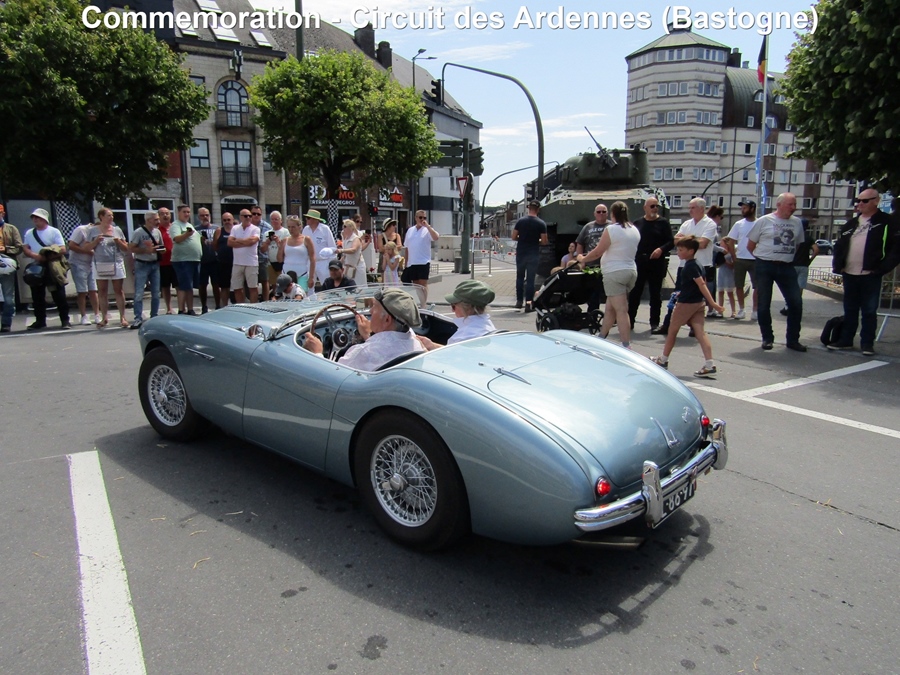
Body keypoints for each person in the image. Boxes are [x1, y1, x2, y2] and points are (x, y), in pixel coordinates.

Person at [828, 188, 900, 355]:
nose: (860, 204)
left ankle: (867, 343)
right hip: (849, 273)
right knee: (850, 309)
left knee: (869, 310)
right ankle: (846, 340)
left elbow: (895, 249)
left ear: (876, 201)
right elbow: (840, 245)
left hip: (871, 274)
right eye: (858, 200)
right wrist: (838, 265)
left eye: (865, 201)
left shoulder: (886, 222)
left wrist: (882, 268)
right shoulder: (851, 223)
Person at [650, 237, 725, 377]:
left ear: (691, 251)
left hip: (686, 303)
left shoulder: (691, 266)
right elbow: (697, 285)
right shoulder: (698, 264)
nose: (678, 252)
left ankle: (663, 359)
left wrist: (713, 303)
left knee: (672, 331)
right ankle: (709, 364)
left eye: (681, 250)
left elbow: (701, 284)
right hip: (698, 303)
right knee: (700, 333)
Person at [302, 288, 424, 371]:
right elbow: (387, 347)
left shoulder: (363, 353)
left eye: (374, 307)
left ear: (387, 320)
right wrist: (368, 336)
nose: (370, 311)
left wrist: (317, 353)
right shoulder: (413, 340)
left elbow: (332, 377)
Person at [746, 192, 807, 352]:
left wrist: (784, 256)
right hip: (765, 265)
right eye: (790, 204)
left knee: (796, 302)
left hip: (787, 266)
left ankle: (793, 340)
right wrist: (764, 258)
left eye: (795, 204)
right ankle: (767, 338)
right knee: (764, 303)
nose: (793, 208)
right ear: (779, 205)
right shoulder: (764, 221)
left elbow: (797, 245)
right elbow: (750, 246)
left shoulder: (797, 222)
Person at [577, 201, 640, 348]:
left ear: (612, 214)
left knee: (621, 310)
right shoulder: (634, 229)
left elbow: (598, 252)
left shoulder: (611, 229)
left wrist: (582, 259)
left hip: (614, 273)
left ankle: (626, 345)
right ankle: (601, 338)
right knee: (610, 308)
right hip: (630, 271)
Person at [628, 196, 673, 332]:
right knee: (635, 293)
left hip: (656, 263)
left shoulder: (663, 223)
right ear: (645, 208)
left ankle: (654, 323)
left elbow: (671, 242)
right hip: (640, 262)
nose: (655, 208)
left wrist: (661, 249)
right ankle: (630, 321)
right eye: (652, 206)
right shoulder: (638, 223)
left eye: (656, 206)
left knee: (655, 294)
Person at [22, 208, 70, 330]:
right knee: (37, 295)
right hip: (37, 265)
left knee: (58, 293)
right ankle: (40, 320)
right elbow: (26, 248)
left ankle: (65, 320)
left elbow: (62, 249)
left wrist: (48, 256)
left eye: (37, 217)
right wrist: (36, 256)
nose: (35, 220)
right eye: (34, 218)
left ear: (44, 219)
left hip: (52, 265)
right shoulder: (29, 233)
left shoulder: (54, 231)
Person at [418, 280, 497, 351]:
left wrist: (423, 349)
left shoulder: (464, 336)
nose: (452, 310)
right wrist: (432, 345)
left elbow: (449, 358)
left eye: (453, 306)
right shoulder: (486, 324)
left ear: (466, 308)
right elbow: (454, 351)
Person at [85, 207, 130, 328]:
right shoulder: (93, 231)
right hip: (100, 262)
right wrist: (96, 241)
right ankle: (104, 317)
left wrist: (118, 242)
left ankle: (122, 317)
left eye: (112, 215)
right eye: (109, 215)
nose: (111, 217)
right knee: (102, 290)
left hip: (116, 261)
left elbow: (126, 248)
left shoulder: (117, 230)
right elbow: (86, 248)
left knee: (118, 290)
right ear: (101, 217)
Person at [723, 200, 759, 320]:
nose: (742, 210)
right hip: (740, 259)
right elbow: (731, 241)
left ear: (752, 209)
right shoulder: (739, 224)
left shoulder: (759, 223)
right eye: (742, 208)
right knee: (739, 285)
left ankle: (755, 310)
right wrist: (734, 257)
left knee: (757, 286)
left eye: (745, 208)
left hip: (755, 259)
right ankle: (742, 309)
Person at [127, 211, 163, 328]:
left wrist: (161, 250)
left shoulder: (157, 232)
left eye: (158, 219)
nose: (158, 222)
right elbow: (131, 247)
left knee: (156, 293)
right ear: (148, 220)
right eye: (156, 219)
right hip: (142, 264)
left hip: (154, 264)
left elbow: (161, 245)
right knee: (139, 293)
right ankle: (138, 318)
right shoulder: (139, 232)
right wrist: (145, 250)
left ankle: (154, 316)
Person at [512, 200, 548, 312]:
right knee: (531, 279)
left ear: (529, 208)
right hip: (533, 253)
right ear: (538, 209)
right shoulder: (541, 223)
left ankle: (519, 301)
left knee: (519, 277)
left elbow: (514, 237)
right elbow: (544, 241)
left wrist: (522, 239)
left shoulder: (520, 221)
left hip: (521, 253)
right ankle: (528, 303)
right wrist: (536, 240)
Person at [780, 218, 818, 316]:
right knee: (800, 288)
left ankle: (788, 307)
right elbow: (816, 250)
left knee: (789, 287)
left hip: (792, 265)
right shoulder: (809, 238)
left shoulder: (794, 236)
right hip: (804, 265)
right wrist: (810, 260)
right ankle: (797, 307)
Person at [66, 222, 101, 326]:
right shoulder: (81, 230)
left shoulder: (99, 233)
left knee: (93, 290)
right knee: (82, 291)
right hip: (78, 263)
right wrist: (87, 251)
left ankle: (97, 314)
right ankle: (83, 316)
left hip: (91, 264)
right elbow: (71, 245)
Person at [576, 203, 609, 312]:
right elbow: (580, 243)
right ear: (594, 214)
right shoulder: (588, 227)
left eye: (603, 211)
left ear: (607, 213)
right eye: (598, 212)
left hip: (608, 264)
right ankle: (592, 314)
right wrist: (581, 261)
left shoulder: (612, 226)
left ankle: (612, 316)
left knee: (610, 293)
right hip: (592, 265)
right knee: (593, 293)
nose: (601, 214)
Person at [402, 210, 440, 306]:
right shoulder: (410, 230)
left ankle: (423, 304)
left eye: (424, 218)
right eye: (420, 217)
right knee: (416, 284)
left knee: (423, 284)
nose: (422, 220)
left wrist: (428, 226)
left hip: (423, 261)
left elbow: (436, 237)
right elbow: (407, 248)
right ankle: (420, 302)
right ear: (416, 218)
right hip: (412, 262)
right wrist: (406, 264)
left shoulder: (427, 230)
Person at [170, 204, 201, 315]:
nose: (187, 214)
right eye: (184, 212)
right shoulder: (176, 225)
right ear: (178, 213)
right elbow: (176, 239)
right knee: (183, 286)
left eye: (188, 212)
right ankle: (181, 310)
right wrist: (187, 234)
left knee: (189, 286)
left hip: (193, 259)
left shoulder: (189, 225)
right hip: (182, 260)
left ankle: (190, 309)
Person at [277, 215, 316, 295]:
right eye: (289, 227)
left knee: (302, 295)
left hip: (302, 273)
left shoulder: (306, 239)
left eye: (293, 227)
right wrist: (280, 248)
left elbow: (313, 259)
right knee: (286, 296)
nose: (291, 229)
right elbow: (279, 260)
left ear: (299, 227)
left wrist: (311, 277)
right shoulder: (285, 240)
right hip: (286, 273)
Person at [0, 206, 24, 332]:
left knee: (8, 299)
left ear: (3, 214)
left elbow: (19, 247)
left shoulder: (11, 229)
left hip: (6, 266)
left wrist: (6, 249)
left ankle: (6, 323)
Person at [229, 209, 260, 303]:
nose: (248, 218)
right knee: (237, 288)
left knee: (253, 288)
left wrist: (237, 240)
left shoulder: (255, 229)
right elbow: (230, 243)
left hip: (251, 263)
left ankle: (253, 308)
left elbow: (252, 242)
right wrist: (245, 242)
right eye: (246, 216)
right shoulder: (235, 228)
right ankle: (241, 307)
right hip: (237, 262)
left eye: (250, 216)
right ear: (240, 217)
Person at [302, 209, 337, 286]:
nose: (306, 219)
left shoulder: (325, 229)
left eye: (308, 218)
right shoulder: (305, 229)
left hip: (323, 262)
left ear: (315, 220)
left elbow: (332, 247)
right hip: (309, 262)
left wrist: (331, 264)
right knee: (308, 286)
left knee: (327, 285)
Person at [196, 207, 220, 313]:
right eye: (202, 215)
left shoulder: (217, 228)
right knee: (202, 285)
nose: (205, 217)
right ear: (198, 217)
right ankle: (204, 307)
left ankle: (218, 306)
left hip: (215, 260)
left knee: (216, 284)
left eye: (207, 215)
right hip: (202, 261)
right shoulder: (195, 229)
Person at [156, 206, 176, 315]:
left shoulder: (174, 227)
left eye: (167, 213)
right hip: (163, 262)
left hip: (176, 261)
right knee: (165, 286)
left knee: (179, 285)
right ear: (158, 216)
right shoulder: (156, 230)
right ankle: (169, 307)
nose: (165, 215)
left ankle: (182, 307)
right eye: (162, 214)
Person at [213, 212, 235, 307]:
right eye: (224, 220)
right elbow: (215, 245)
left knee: (236, 287)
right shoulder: (219, 231)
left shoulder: (236, 230)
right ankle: (224, 306)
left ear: (232, 220)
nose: (227, 222)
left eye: (228, 220)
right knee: (224, 287)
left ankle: (236, 306)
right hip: (222, 263)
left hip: (235, 262)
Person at [264, 211, 289, 294]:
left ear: (281, 220)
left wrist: (278, 241)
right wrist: (267, 242)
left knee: (284, 284)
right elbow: (262, 250)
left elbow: (287, 248)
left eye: (276, 219)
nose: (274, 221)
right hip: (271, 262)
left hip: (282, 262)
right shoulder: (266, 233)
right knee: (274, 285)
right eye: (272, 219)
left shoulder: (286, 232)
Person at [250, 207, 271, 301]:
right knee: (251, 283)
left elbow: (271, 242)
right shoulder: (247, 226)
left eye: (258, 214)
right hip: (249, 259)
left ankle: (266, 302)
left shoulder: (268, 227)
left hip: (263, 258)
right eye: (254, 214)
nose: (256, 216)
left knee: (265, 281)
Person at [339, 219, 367, 286]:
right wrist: (339, 263)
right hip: (349, 267)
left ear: (351, 228)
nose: (343, 228)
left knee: (359, 286)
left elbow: (353, 250)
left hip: (357, 267)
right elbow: (345, 255)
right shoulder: (345, 239)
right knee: (349, 286)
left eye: (345, 226)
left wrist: (341, 250)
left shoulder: (356, 238)